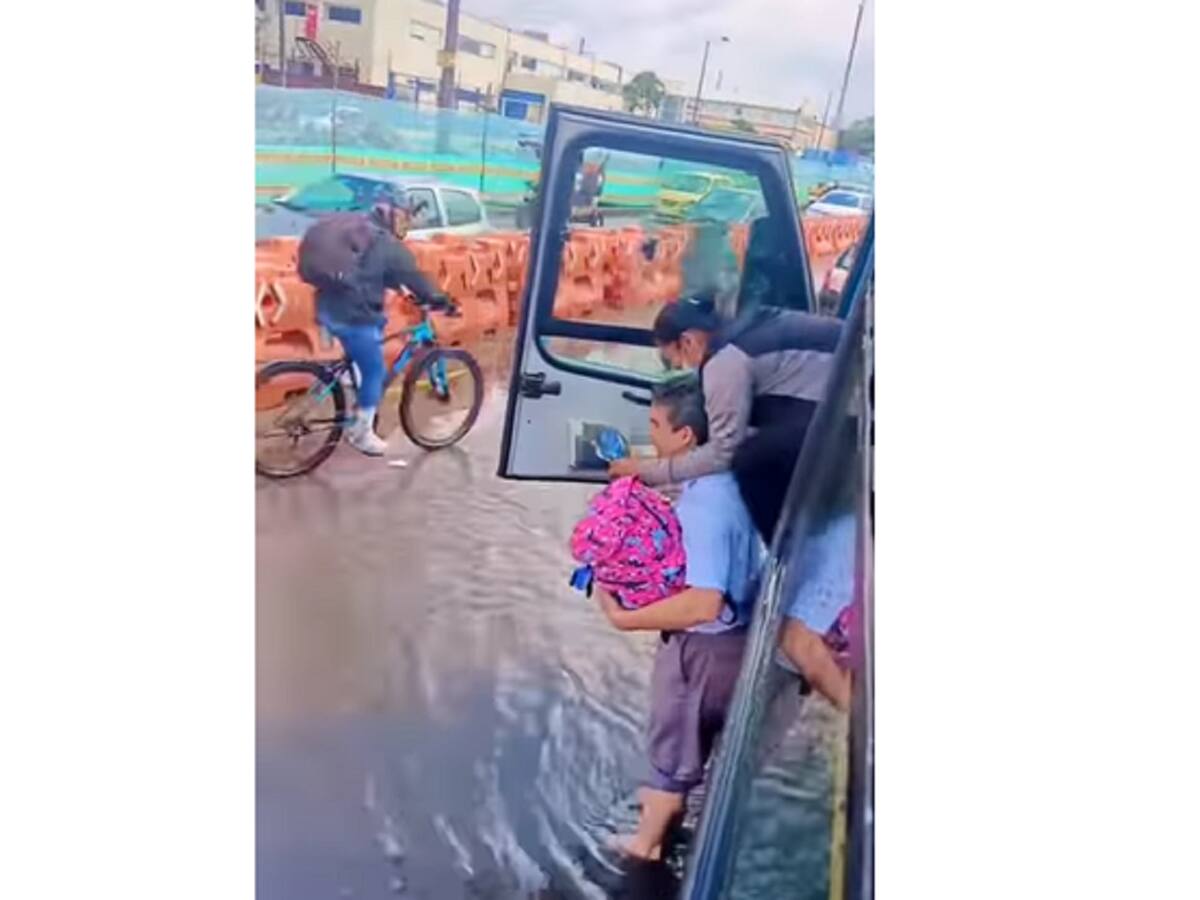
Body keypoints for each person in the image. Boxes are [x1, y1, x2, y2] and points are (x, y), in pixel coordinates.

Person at [593, 377, 765, 861]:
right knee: (695, 739)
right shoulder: (732, 476)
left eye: (654, 425)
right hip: (737, 640)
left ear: (685, 437)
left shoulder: (706, 507)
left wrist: (626, 617)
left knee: (674, 745)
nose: (650, 435)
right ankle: (670, 820)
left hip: (704, 647)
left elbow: (702, 603)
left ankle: (644, 849)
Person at [609, 294, 842, 542]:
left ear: (687, 341)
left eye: (670, 359)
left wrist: (645, 472)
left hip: (850, 411)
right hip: (844, 395)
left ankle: (787, 547)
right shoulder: (749, 325)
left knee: (752, 460)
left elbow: (724, 452)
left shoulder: (725, 360)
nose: (677, 367)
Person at [297, 200, 454, 457]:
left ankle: (350, 378)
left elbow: (370, 272)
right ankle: (361, 433)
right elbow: (413, 277)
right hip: (353, 317)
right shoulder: (386, 244)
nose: (406, 224)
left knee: (368, 344)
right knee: (375, 371)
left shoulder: (358, 231)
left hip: (326, 309)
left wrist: (399, 287)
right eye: (405, 218)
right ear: (391, 215)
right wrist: (441, 301)